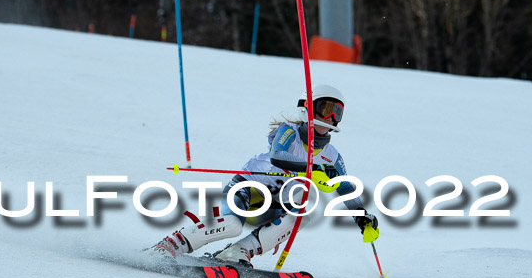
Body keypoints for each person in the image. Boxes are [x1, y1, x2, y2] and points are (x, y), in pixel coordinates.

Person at [145, 84, 379, 265]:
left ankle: (236, 253)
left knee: (302, 215)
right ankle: (171, 245)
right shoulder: (290, 132)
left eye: (336, 112)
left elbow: (345, 188)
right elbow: (278, 155)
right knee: (231, 225)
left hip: (273, 205)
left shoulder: (331, 156)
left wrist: (362, 218)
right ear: (307, 106)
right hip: (247, 188)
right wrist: (311, 169)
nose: (330, 118)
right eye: (325, 109)